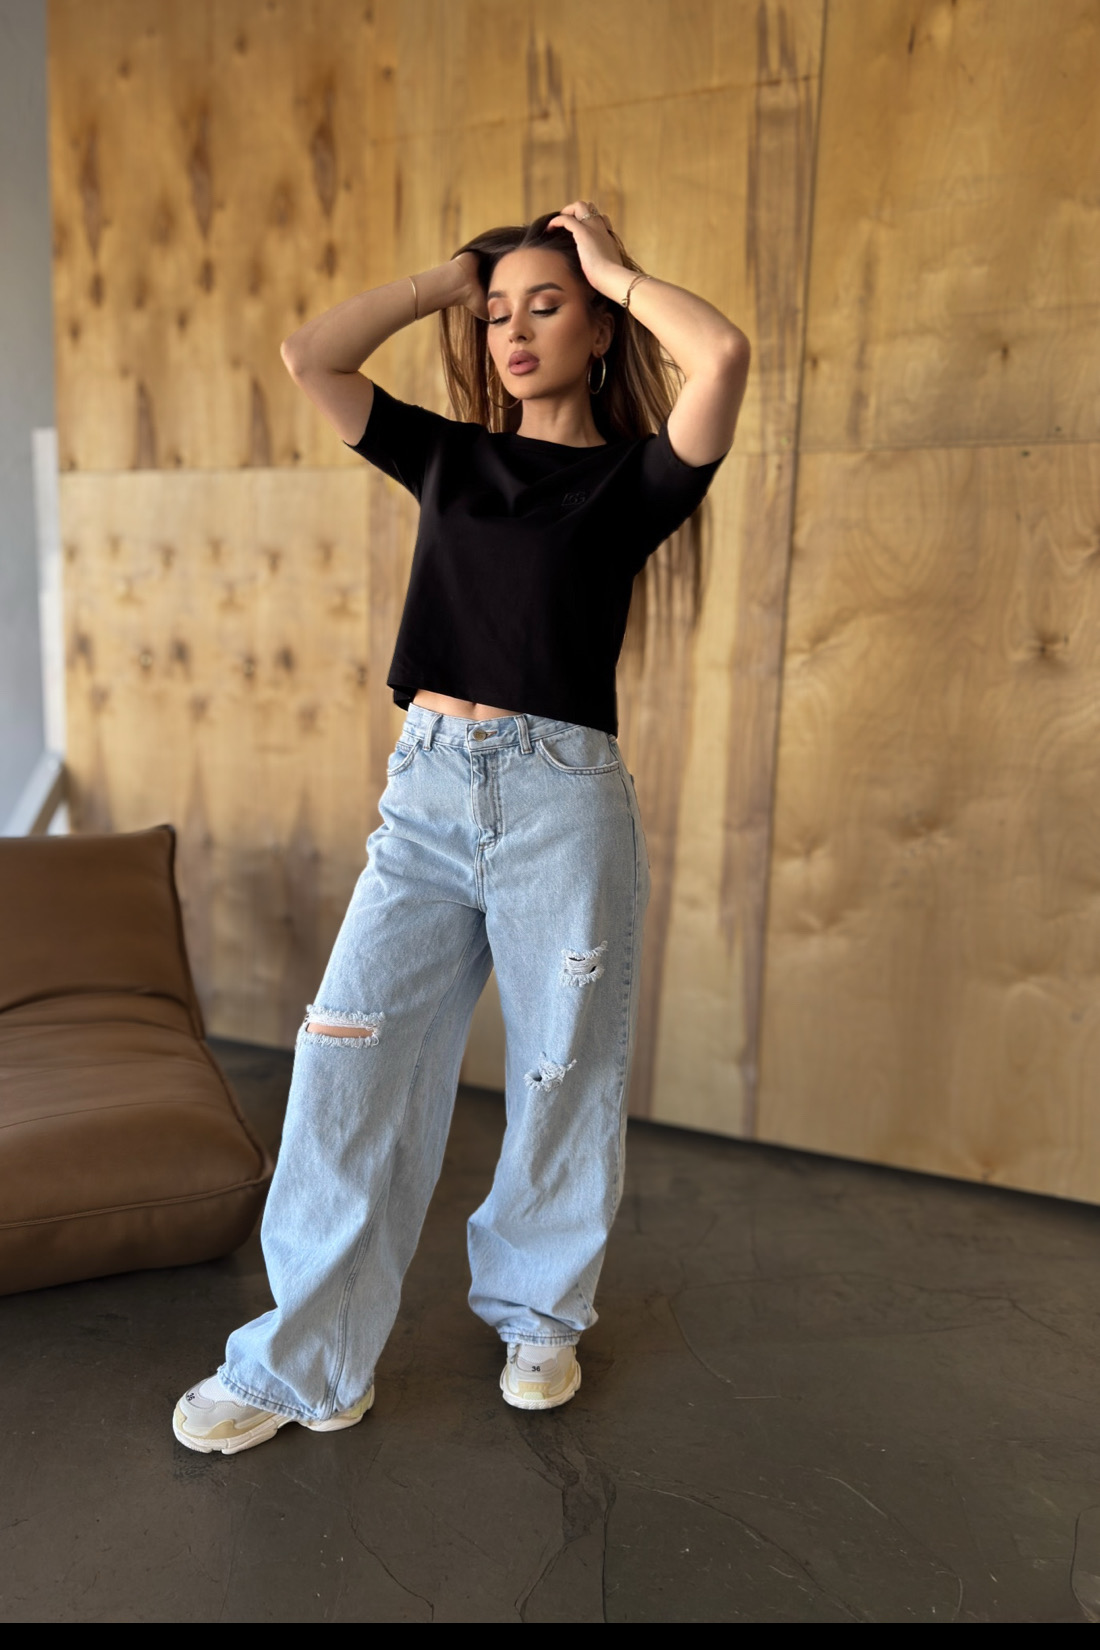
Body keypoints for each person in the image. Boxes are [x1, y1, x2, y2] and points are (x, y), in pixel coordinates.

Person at [173, 200, 750, 1454]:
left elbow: (720, 355)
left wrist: (613, 269)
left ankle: (540, 1312)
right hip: (427, 795)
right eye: (498, 316)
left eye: (546, 306)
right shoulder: (448, 457)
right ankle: (308, 1363)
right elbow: (312, 357)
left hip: (562, 803)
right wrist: (452, 279)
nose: (514, 331)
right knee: (348, 1056)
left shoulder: (633, 480)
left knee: (561, 1068)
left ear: (598, 329)